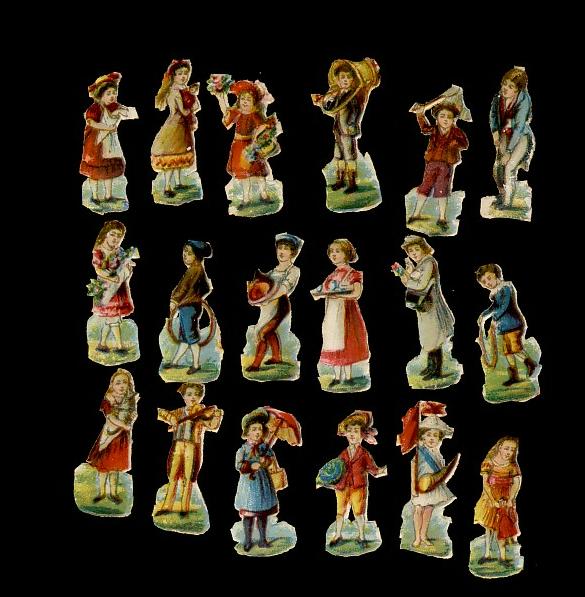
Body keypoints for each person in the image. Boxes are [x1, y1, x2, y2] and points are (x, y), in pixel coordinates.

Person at [155, 383, 223, 516]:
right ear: (184, 396)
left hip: (191, 446)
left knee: (188, 477)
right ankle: (167, 506)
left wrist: (217, 415)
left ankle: (184, 508)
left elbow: (213, 426)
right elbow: (160, 412)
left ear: (201, 397)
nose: (193, 397)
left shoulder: (201, 414)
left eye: (197, 395)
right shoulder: (179, 412)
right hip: (177, 445)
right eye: (189, 394)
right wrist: (171, 417)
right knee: (172, 476)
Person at [211, 79, 281, 207]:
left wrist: (257, 137)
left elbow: (263, 125)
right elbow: (226, 116)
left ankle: (263, 195)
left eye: (248, 99)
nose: (245, 102)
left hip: (251, 146)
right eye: (242, 99)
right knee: (243, 175)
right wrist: (221, 98)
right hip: (238, 146)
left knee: (259, 173)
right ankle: (246, 199)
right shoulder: (237, 113)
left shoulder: (254, 115)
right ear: (238, 100)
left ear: (254, 102)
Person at [394, 235, 455, 380]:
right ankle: (430, 367)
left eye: (416, 249)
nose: (414, 253)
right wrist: (404, 274)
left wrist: (408, 278)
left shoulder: (429, 263)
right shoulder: (420, 264)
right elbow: (411, 283)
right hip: (423, 306)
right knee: (428, 338)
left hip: (431, 305)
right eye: (410, 251)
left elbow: (420, 285)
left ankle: (436, 371)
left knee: (435, 338)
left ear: (424, 248)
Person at [312, 239, 369, 386]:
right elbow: (321, 290)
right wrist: (319, 293)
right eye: (331, 252)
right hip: (332, 313)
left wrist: (340, 295)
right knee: (333, 342)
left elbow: (357, 293)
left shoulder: (353, 273)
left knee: (347, 343)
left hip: (347, 313)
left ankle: (348, 378)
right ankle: (337, 377)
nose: (334, 254)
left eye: (338, 251)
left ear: (347, 254)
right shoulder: (331, 275)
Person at [246, 233, 303, 372]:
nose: (282, 251)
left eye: (286, 248)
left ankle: (256, 365)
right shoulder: (272, 271)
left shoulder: (294, 270)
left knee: (263, 333)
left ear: (293, 252)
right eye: (280, 248)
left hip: (280, 307)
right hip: (267, 308)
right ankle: (277, 357)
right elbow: (263, 288)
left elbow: (283, 289)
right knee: (269, 332)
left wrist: (266, 299)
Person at [329, 411, 387, 547]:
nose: (352, 434)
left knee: (359, 512)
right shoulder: (343, 454)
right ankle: (338, 535)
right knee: (340, 512)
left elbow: (374, 470)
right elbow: (336, 470)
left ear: (362, 434)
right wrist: (331, 480)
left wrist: (383, 471)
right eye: (349, 430)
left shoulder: (364, 454)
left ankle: (361, 536)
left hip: (358, 487)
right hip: (342, 487)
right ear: (345, 433)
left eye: (356, 431)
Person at [408, 103, 469, 230]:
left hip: (446, 165)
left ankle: (442, 218)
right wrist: (420, 115)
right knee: (425, 187)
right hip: (431, 163)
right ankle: (416, 214)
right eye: (442, 116)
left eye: (449, 117)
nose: (445, 119)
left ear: (453, 119)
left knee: (442, 190)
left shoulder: (457, 132)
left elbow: (465, 144)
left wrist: (455, 143)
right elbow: (424, 129)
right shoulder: (434, 129)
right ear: (437, 118)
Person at [476, 263, 537, 385]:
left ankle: (531, 364)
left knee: (515, 349)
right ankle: (515, 376)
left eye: (489, 278)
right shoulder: (496, 292)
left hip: (514, 324)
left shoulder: (506, 288)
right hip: (504, 327)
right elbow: (494, 307)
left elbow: (503, 306)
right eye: (484, 282)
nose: (487, 283)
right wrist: (484, 315)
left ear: (496, 275)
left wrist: (494, 317)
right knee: (507, 352)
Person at [312, 63, 367, 193]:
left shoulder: (352, 96)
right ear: (337, 80)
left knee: (349, 156)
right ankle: (340, 180)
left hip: (347, 131)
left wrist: (352, 124)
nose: (346, 80)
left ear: (353, 80)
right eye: (343, 77)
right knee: (338, 155)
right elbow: (331, 109)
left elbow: (356, 111)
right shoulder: (337, 94)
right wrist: (323, 102)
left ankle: (352, 183)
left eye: (348, 77)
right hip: (338, 130)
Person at [86, 369, 139, 503]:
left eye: (124, 382)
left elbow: (132, 415)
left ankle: (113, 493)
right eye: (118, 383)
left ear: (129, 384)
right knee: (104, 467)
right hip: (109, 436)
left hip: (121, 439)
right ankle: (102, 492)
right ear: (112, 385)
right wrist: (124, 425)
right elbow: (110, 417)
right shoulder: (108, 400)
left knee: (115, 468)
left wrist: (132, 418)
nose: (121, 385)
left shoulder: (130, 400)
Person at [151, 59, 200, 198]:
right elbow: (184, 111)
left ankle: (178, 183)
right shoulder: (174, 91)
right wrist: (192, 105)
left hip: (182, 125)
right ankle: (167, 187)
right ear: (173, 76)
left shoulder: (184, 89)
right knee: (171, 157)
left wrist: (193, 99)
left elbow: (196, 107)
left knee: (180, 155)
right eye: (180, 74)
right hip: (175, 126)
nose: (183, 76)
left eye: (185, 73)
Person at [164, 240, 213, 374]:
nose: (185, 255)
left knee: (191, 339)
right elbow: (206, 288)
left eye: (189, 253)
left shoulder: (194, 270)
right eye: (184, 251)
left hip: (189, 308)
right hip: (187, 307)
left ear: (197, 256)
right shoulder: (195, 269)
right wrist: (196, 297)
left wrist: (175, 300)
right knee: (185, 339)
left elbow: (183, 288)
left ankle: (196, 365)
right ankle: (174, 362)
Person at [80, 72, 130, 202]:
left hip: (110, 143)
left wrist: (124, 112)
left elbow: (127, 112)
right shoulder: (95, 108)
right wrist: (107, 128)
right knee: (95, 173)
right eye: (108, 94)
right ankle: (95, 196)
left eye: (114, 93)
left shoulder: (114, 107)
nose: (112, 96)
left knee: (109, 171)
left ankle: (108, 196)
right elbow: (91, 122)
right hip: (96, 144)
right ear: (100, 95)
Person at [234, 408, 279, 552]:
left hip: (263, 484)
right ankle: (248, 541)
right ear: (247, 432)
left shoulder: (265, 447)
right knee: (248, 515)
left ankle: (262, 540)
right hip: (249, 485)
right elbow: (238, 465)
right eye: (254, 429)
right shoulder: (243, 449)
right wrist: (250, 465)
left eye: (259, 429)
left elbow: (271, 460)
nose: (257, 432)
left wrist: (266, 461)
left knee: (262, 514)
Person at [489, 67, 534, 208]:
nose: (505, 88)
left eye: (510, 86)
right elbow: (493, 115)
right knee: (498, 168)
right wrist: (495, 132)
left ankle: (508, 202)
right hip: (504, 134)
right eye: (504, 84)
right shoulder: (498, 97)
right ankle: (503, 195)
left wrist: (509, 151)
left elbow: (519, 128)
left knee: (509, 168)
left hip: (520, 137)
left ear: (517, 89)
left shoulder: (524, 101)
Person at [474, 437, 521, 566]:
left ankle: (503, 557)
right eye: (506, 448)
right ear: (499, 447)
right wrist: (492, 500)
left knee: (502, 526)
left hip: (505, 498)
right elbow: (485, 484)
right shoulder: (489, 462)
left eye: (512, 450)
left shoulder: (512, 465)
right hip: (490, 498)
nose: (509, 452)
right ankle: (487, 554)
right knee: (489, 527)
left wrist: (511, 498)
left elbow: (516, 482)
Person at [91, 220, 136, 353]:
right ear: (105, 234)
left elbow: (123, 262)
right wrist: (110, 277)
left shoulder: (119, 250)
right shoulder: (99, 251)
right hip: (107, 289)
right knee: (114, 318)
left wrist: (127, 264)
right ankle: (120, 346)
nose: (115, 239)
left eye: (119, 236)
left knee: (111, 318)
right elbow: (98, 270)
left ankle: (102, 344)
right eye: (112, 234)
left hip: (118, 287)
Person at [410, 415, 455, 548]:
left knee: (428, 510)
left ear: (439, 439)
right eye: (428, 435)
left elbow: (441, 474)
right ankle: (417, 537)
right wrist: (413, 487)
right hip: (420, 487)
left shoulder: (438, 455)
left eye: (435, 435)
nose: (431, 438)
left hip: (433, 487)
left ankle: (424, 535)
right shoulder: (419, 452)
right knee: (419, 510)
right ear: (422, 437)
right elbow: (413, 470)